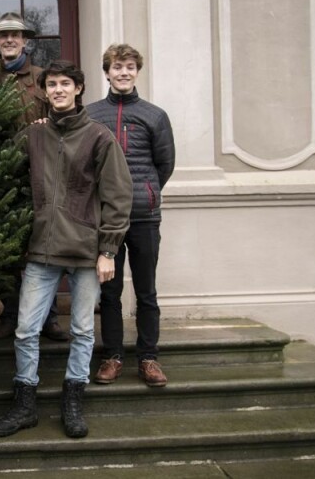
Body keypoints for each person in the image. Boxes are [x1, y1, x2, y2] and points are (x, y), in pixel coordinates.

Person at [0, 61, 132, 439]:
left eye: (65, 84)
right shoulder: (34, 136)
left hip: (86, 252)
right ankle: (24, 403)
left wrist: (108, 251)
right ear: (45, 91)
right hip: (41, 250)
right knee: (25, 330)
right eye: (51, 85)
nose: (57, 90)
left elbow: (119, 197)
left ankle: (73, 399)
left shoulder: (100, 137)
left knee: (84, 331)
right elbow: (0, 170)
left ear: (79, 89)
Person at [86, 44, 175, 388]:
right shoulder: (92, 114)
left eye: (129, 67)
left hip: (144, 217)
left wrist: (145, 193)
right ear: (106, 72)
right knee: (109, 292)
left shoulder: (155, 116)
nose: (123, 72)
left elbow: (164, 164)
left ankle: (149, 357)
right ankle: (112, 356)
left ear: (137, 72)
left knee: (146, 290)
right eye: (116, 67)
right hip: (106, 219)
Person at [0, 12, 68, 343]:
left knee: (43, 247)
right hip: (0, 179)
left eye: (15, 35)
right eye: (3, 36)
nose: (8, 40)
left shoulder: (43, 79)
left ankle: (48, 318)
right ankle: (9, 315)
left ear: (25, 40)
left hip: (40, 178)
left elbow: (63, 121)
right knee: (7, 251)